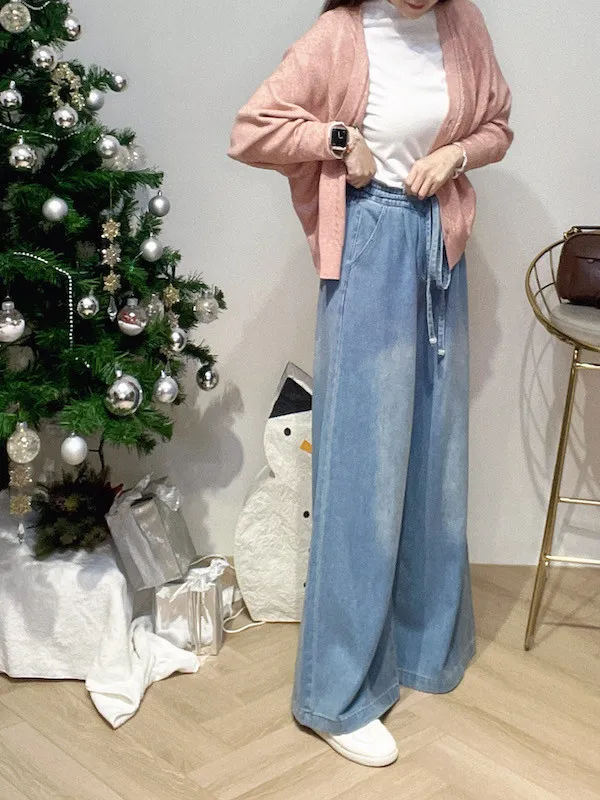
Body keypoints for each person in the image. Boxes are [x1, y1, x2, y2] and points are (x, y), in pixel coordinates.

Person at [228, 0, 513, 769]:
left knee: (433, 454)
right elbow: (252, 130)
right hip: (370, 239)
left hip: (437, 249)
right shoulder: (341, 32)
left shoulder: (463, 24)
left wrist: (457, 156)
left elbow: (497, 126)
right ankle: (337, 693)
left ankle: (422, 646)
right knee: (361, 467)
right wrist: (339, 139)